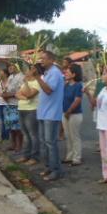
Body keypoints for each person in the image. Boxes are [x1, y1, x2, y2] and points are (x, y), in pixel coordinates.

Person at [34, 51, 65, 182]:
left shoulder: (55, 73)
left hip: (51, 114)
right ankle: (49, 167)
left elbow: (48, 90)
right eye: (40, 58)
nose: (41, 60)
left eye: (44, 58)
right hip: (43, 112)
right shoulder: (46, 73)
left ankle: (56, 170)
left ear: (52, 60)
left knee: (51, 143)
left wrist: (37, 78)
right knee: (45, 142)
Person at [16, 65, 41, 165]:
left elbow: (30, 94)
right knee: (25, 134)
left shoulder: (36, 82)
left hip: (32, 110)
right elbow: (17, 94)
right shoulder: (25, 83)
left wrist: (26, 84)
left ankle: (34, 157)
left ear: (33, 71)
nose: (25, 72)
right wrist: (25, 96)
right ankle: (26, 155)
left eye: (26, 70)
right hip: (22, 108)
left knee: (33, 135)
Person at [62, 64, 84, 166]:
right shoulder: (66, 85)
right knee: (68, 135)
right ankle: (69, 156)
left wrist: (69, 111)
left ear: (74, 74)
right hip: (65, 114)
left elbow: (77, 100)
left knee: (74, 136)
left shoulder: (78, 85)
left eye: (68, 71)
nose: (65, 73)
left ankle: (77, 158)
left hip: (74, 114)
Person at [2, 62, 24, 156]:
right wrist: (4, 94)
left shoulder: (21, 77)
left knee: (18, 127)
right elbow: (6, 89)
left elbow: (21, 91)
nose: (10, 68)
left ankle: (19, 145)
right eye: (9, 66)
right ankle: (13, 144)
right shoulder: (10, 77)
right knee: (11, 126)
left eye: (12, 66)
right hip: (9, 103)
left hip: (17, 104)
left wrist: (9, 95)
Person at [0, 68, 10, 142]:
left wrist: (1, 91)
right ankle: (3, 136)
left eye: (2, 73)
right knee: (2, 121)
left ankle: (7, 136)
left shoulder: (9, 82)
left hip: (7, 103)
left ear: (6, 74)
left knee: (6, 121)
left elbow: (8, 92)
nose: (0, 74)